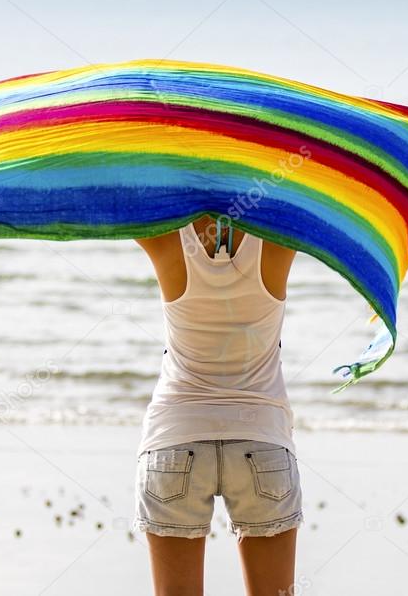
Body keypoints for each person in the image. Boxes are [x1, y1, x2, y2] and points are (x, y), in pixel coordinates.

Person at [133, 214, 300, 596]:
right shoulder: (283, 232)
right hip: (262, 440)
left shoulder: (162, 236)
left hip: (174, 439)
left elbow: (96, 202)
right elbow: (343, 209)